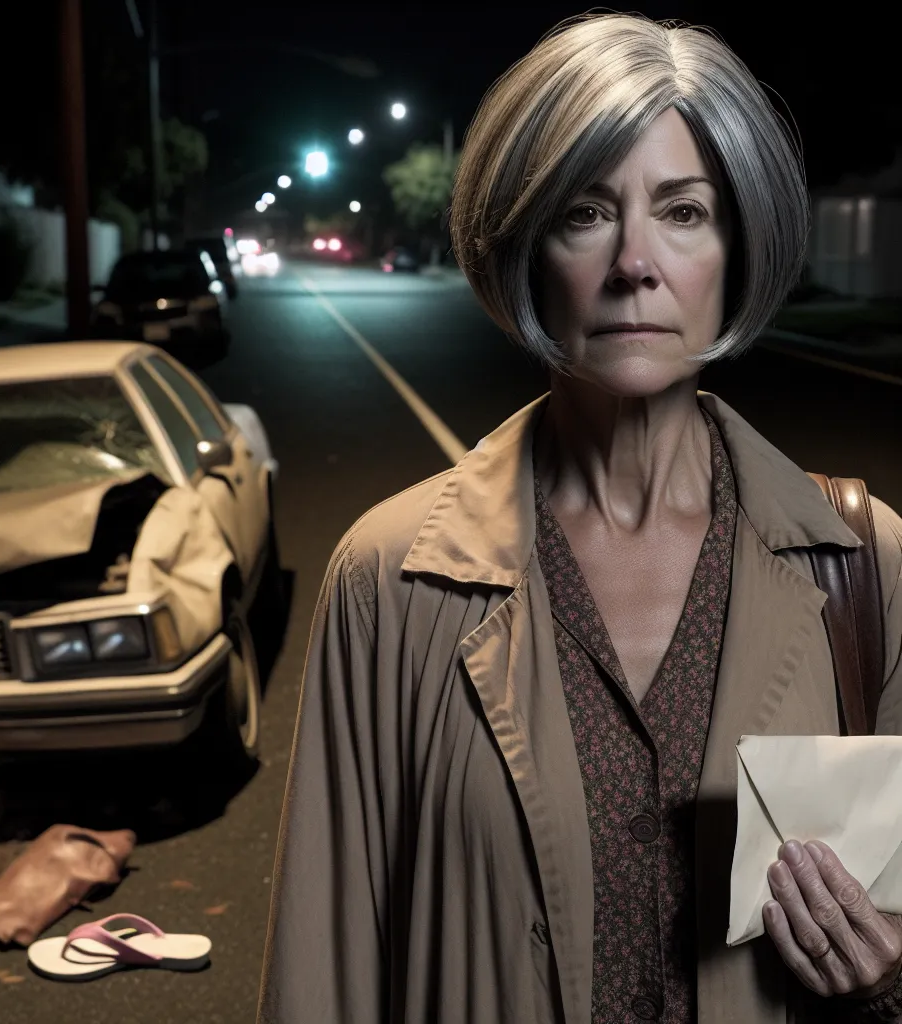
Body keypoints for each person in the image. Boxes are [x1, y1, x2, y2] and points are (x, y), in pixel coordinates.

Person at [257, 12, 902, 1023]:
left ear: (737, 249)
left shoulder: (864, 564)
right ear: (523, 243)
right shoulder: (388, 578)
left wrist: (882, 973)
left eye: (683, 212)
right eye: (585, 212)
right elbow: (324, 970)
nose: (634, 263)